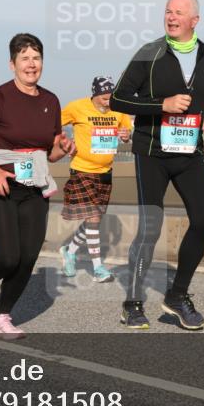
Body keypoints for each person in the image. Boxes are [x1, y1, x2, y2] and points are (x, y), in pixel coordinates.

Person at [109, 0, 204, 331]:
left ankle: (177, 296)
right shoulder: (150, 53)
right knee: (151, 227)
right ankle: (132, 303)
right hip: (152, 154)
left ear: (194, 21)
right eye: (167, 12)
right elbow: (118, 98)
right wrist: (162, 104)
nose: (171, 17)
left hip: (190, 154)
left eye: (178, 13)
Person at [0, 33, 75, 339]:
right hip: (0, 186)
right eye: (25, 58)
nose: (31, 64)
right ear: (12, 65)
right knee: (8, 257)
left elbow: (50, 153)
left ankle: (1, 317)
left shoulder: (50, 101)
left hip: (34, 188)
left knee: (28, 258)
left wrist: (64, 148)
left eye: (36, 58)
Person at [57, 76, 132, 282]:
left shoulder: (119, 109)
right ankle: (98, 268)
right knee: (94, 218)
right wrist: (62, 139)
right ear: (95, 95)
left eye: (112, 97)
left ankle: (69, 250)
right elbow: (53, 123)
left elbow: (126, 132)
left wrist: (126, 135)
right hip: (82, 170)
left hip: (105, 172)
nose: (109, 101)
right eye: (105, 97)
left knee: (94, 218)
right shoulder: (77, 107)